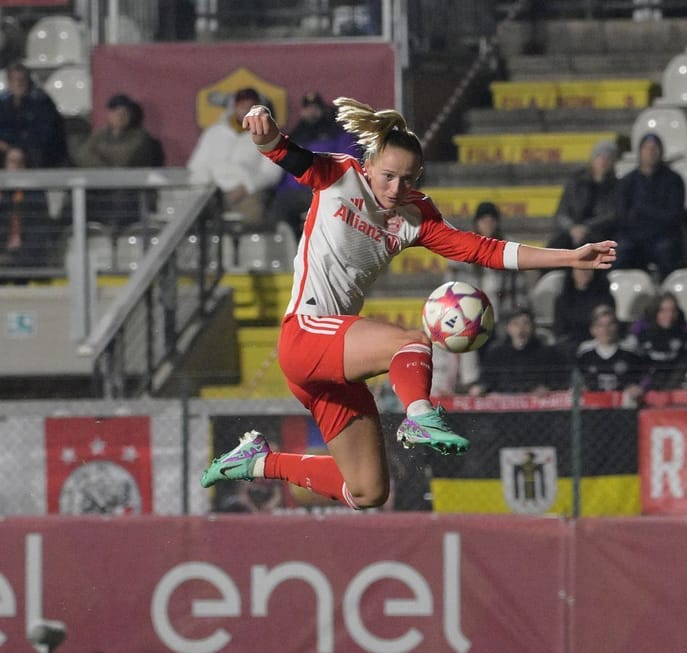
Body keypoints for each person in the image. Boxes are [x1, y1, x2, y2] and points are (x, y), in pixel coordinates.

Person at [199, 97, 617, 510]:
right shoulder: (339, 175)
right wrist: (264, 131)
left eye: (408, 179)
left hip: (331, 362)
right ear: (367, 164)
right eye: (388, 176)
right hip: (305, 333)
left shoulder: (415, 216)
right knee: (413, 341)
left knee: (366, 491)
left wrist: (567, 257)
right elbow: (284, 153)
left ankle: (260, 461)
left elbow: (483, 250)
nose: (397, 188)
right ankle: (419, 416)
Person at [186, 87, 283, 226]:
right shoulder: (213, 133)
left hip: (246, 193)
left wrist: (246, 188)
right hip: (212, 192)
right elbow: (196, 166)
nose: (245, 111)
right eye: (241, 106)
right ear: (234, 107)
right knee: (192, 217)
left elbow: (271, 173)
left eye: (251, 107)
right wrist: (207, 186)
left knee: (251, 222)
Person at [71, 93, 166, 228]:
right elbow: (82, 155)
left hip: (129, 196)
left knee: (120, 208)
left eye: (124, 113)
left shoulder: (141, 138)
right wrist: (108, 170)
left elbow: (126, 159)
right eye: (115, 112)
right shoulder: (99, 135)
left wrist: (100, 156)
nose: (120, 116)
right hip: (101, 192)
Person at [270, 91, 357, 237]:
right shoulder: (294, 137)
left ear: (323, 110)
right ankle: (284, 248)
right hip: (295, 192)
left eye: (315, 108)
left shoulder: (338, 135)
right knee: (278, 207)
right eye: (308, 108)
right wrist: (280, 191)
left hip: (326, 190)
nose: (312, 112)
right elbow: (283, 171)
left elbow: (349, 164)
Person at [614, 132, 685, 279]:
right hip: (634, 236)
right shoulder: (627, 182)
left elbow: (674, 215)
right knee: (621, 251)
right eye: (646, 148)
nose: (651, 152)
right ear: (640, 152)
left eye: (654, 148)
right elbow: (622, 216)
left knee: (667, 250)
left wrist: (643, 211)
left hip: (663, 236)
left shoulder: (674, 181)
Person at [470, 308, 565, 395]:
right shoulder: (496, 352)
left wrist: (547, 388)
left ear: (533, 327)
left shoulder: (545, 352)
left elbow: (556, 382)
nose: (521, 329)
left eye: (526, 323)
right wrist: (481, 388)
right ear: (508, 328)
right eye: (516, 324)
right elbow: (485, 380)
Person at [548, 138, 619, 250]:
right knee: (557, 246)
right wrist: (572, 228)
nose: (603, 161)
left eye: (608, 158)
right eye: (600, 157)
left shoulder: (616, 186)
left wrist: (586, 228)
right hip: (571, 232)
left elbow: (610, 216)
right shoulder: (576, 182)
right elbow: (561, 212)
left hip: (598, 234)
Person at [0, 63, 68, 168]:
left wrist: (18, 147)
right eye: (13, 80)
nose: (18, 84)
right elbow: (5, 127)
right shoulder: (4, 103)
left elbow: (44, 133)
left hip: (38, 150)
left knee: (17, 157)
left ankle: (19, 183)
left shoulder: (42, 102)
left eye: (21, 80)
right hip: (10, 147)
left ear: (28, 81)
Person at [625, 292, 687, 391]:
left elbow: (682, 364)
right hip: (641, 386)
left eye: (673, 311)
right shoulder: (640, 330)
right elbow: (632, 362)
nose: (669, 316)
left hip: (671, 385)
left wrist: (669, 390)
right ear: (655, 312)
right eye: (663, 311)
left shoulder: (684, 331)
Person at [577, 305, 646, 400]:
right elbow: (578, 380)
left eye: (610, 325)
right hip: (592, 406)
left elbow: (642, 378)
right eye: (600, 325)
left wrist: (637, 388)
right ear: (593, 329)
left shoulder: (629, 353)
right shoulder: (584, 354)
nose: (606, 330)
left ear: (616, 327)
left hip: (622, 407)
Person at [0, 146, 53, 268]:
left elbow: (38, 227)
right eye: (12, 162)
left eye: (20, 162)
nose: (16, 167)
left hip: (26, 255)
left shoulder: (35, 194)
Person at [553, 265, 616, 353]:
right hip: (571, 344)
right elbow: (560, 329)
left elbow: (607, 324)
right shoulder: (562, 299)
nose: (584, 272)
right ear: (572, 272)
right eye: (579, 269)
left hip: (598, 341)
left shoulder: (605, 297)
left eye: (588, 268)